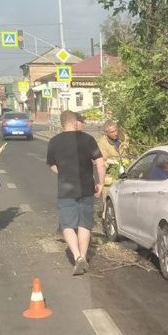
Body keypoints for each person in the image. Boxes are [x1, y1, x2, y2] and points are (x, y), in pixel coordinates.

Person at [46, 110, 106, 276]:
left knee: (67, 225)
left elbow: (52, 165)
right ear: (74, 122)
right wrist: (101, 183)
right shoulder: (88, 139)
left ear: (62, 124)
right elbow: (100, 163)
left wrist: (64, 173)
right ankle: (84, 256)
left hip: (66, 189)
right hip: (86, 188)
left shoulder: (54, 141)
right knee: (84, 224)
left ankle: (77, 256)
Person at [97, 120, 131, 186]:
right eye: (112, 132)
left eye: (116, 130)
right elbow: (102, 161)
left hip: (126, 171)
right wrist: (115, 162)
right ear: (106, 133)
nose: (115, 133)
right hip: (112, 174)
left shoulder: (123, 137)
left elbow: (130, 151)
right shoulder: (102, 144)